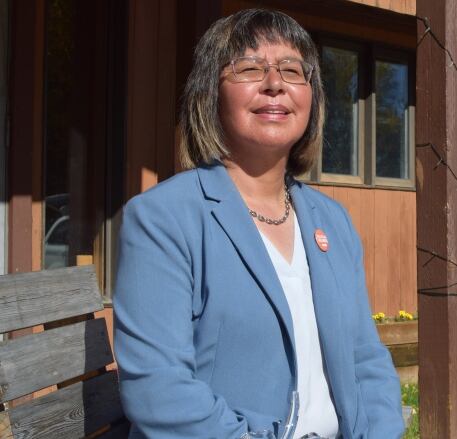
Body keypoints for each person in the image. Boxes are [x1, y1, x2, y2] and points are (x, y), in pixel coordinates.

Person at [113, 9, 404, 439]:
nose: (275, 83)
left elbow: (366, 359)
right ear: (210, 95)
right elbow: (159, 389)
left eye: (292, 70)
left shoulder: (332, 221)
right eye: (249, 68)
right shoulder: (162, 219)